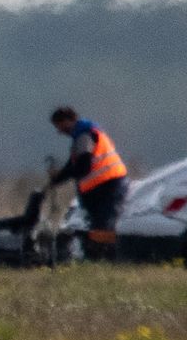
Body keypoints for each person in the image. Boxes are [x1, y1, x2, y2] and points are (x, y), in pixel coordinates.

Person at [45, 105, 129, 257]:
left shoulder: (85, 136)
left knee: (104, 225)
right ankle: (100, 256)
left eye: (59, 125)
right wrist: (57, 180)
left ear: (68, 120)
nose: (59, 131)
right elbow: (73, 166)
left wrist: (61, 176)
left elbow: (83, 166)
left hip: (108, 185)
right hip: (103, 185)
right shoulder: (82, 136)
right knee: (99, 224)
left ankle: (107, 257)